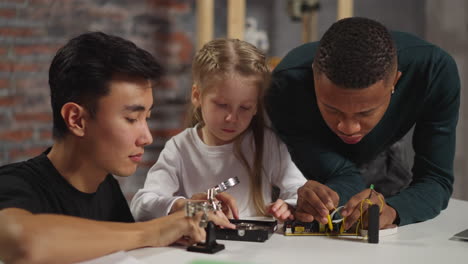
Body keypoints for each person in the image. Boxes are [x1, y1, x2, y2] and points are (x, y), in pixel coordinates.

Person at [0, 32, 234, 264]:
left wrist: (179, 219)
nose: (147, 137)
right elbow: (23, 243)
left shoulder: (106, 188)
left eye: (147, 117)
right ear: (76, 120)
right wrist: (153, 231)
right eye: (132, 119)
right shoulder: (13, 184)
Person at [265, 17, 460, 229]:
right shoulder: (284, 86)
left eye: (365, 112)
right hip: (321, 172)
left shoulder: (434, 70)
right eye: (332, 109)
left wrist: (394, 211)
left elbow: (436, 179)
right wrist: (317, 200)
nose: (348, 128)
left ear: (395, 81)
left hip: (383, 158)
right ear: (314, 79)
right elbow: (339, 175)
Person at [130, 39, 307, 222]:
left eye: (245, 107)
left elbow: (299, 192)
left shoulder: (268, 144)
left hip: (258, 249)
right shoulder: (180, 148)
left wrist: (289, 206)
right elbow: (141, 206)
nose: (232, 118)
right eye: (222, 105)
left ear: (256, 106)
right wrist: (185, 206)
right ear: (197, 96)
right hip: (196, 248)